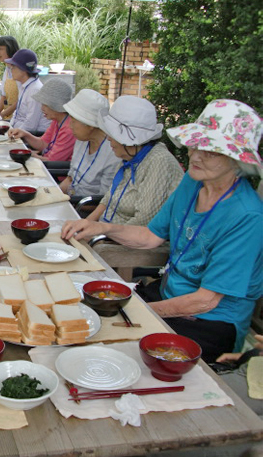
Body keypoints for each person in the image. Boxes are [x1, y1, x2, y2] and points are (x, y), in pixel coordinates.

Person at [62, 99, 263, 363]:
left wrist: (139, 310)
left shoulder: (247, 216)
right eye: (195, 145)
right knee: (80, 313)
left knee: (111, 349)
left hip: (209, 321)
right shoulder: (193, 181)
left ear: (238, 160)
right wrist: (99, 226)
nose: (195, 156)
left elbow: (206, 300)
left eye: (211, 151)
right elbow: (150, 236)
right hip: (169, 293)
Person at [83, 95, 183, 225]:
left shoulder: (159, 161)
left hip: (125, 240)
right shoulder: (130, 155)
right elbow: (109, 197)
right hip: (106, 229)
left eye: (113, 134)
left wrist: (101, 235)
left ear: (130, 141)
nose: (108, 138)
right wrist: (86, 223)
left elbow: (143, 221)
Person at [59, 89, 121, 197]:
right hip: (70, 199)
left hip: (85, 208)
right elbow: (70, 179)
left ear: (90, 124)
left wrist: (67, 199)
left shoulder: (113, 154)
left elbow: (103, 200)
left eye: (73, 121)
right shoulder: (82, 139)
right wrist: (54, 195)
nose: (70, 126)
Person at [8, 78, 76, 162]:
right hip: (45, 162)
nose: (42, 108)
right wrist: (25, 134)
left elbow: (52, 161)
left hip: (53, 172)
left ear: (56, 105)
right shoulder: (57, 120)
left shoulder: (69, 129)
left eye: (45, 104)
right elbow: (43, 144)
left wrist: (32, 155)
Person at [5, 48, 50, 135]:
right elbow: (17, 114)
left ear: (23, 70)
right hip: (20, 130)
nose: (11, 70)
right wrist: (10, 127)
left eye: (13, 67)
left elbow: (31, 125)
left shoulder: (35, 90)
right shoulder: (24, 85)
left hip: (34, 135)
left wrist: (12, 133)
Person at [0, 35, 19, 121]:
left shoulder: (20, 70)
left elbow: (21, 100)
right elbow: (3, 96)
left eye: (0, 49)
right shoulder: (7, 68)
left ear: (10, 49)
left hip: (18, 119)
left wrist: (3, 114)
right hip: (8, 116)